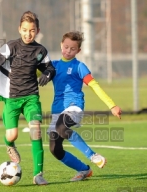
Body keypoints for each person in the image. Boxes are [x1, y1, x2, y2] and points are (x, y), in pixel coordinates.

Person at [0, 11, 56, 185]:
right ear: (19, 29)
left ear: (37, 30)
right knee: (12, 134)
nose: (28, 34)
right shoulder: (11, 47)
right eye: (25, 30)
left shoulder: (40, 50)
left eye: (32, 30)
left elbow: (50, 68)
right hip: (12, 98)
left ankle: (38, 174)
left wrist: (48, 74)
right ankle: (10, 145)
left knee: (36, 131)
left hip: (31, 97)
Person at [47, 31, 122, 182]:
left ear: (78, 51)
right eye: (66, 47)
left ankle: (93, 155)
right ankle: (84, 169)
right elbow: (33, 72)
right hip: (57, 110)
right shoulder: (53, 65)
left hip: (74, 107)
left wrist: (111, 105)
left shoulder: (79, 66)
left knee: (62, 128)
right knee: (55, 149)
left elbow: (95, 86)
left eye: (72, 49)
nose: (68, 51)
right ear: (61, 45)